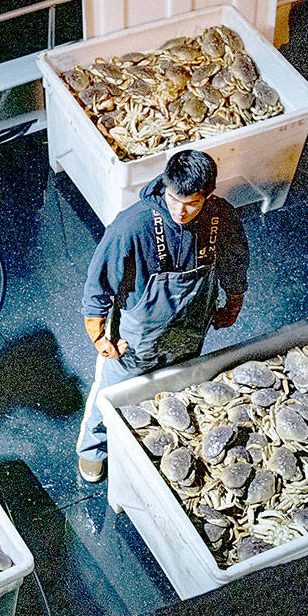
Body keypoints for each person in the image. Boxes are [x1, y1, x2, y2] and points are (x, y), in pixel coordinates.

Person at [76, 150, 249, 483]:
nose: (181, 211)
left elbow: (235, 261)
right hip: (136, 339)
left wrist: (234, 299)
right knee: (110, 392)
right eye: (174, 199)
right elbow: (97, 284)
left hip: (190, 331)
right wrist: (98, 335)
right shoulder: (132, 225)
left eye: (192, 203)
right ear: (166, 186)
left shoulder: (221, 217)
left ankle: (158, 442)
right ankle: (92, 449)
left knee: (175, 390)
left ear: (208, 195)